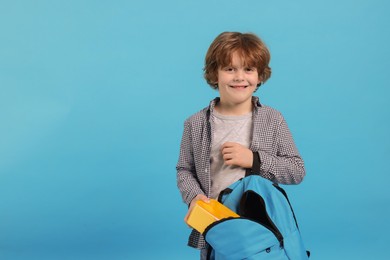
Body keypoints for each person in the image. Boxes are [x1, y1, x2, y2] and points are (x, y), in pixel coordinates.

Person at [176, 31, 305, 259]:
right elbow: (184, 170)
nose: (239, 77)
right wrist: (194, 196)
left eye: (248, 69)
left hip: (260, 229)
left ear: (260, 75)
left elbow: (296, 171)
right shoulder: (195, 124)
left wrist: (254, 160)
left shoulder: (273, 120)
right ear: (215, 74)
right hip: (216, 227)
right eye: (229, 69)